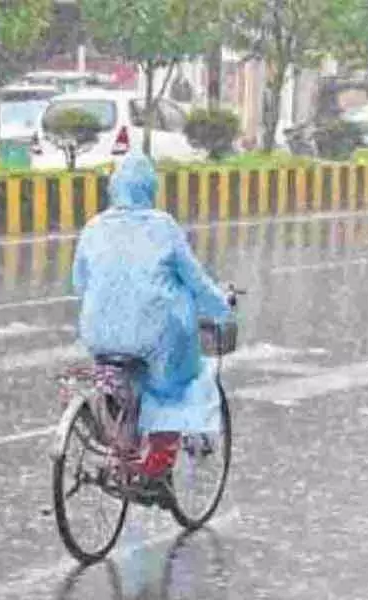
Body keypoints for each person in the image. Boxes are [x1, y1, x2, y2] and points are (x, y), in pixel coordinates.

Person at [72, 154, 231, 480]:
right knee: (181, 382)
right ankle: (157, 465)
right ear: (150, 188)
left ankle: (122, 448)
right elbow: (195, 281)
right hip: (152, 337)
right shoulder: (162, 226)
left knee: (124, 383)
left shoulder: (93, 226)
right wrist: (221, 308)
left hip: (99, 334)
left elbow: (80, 283)